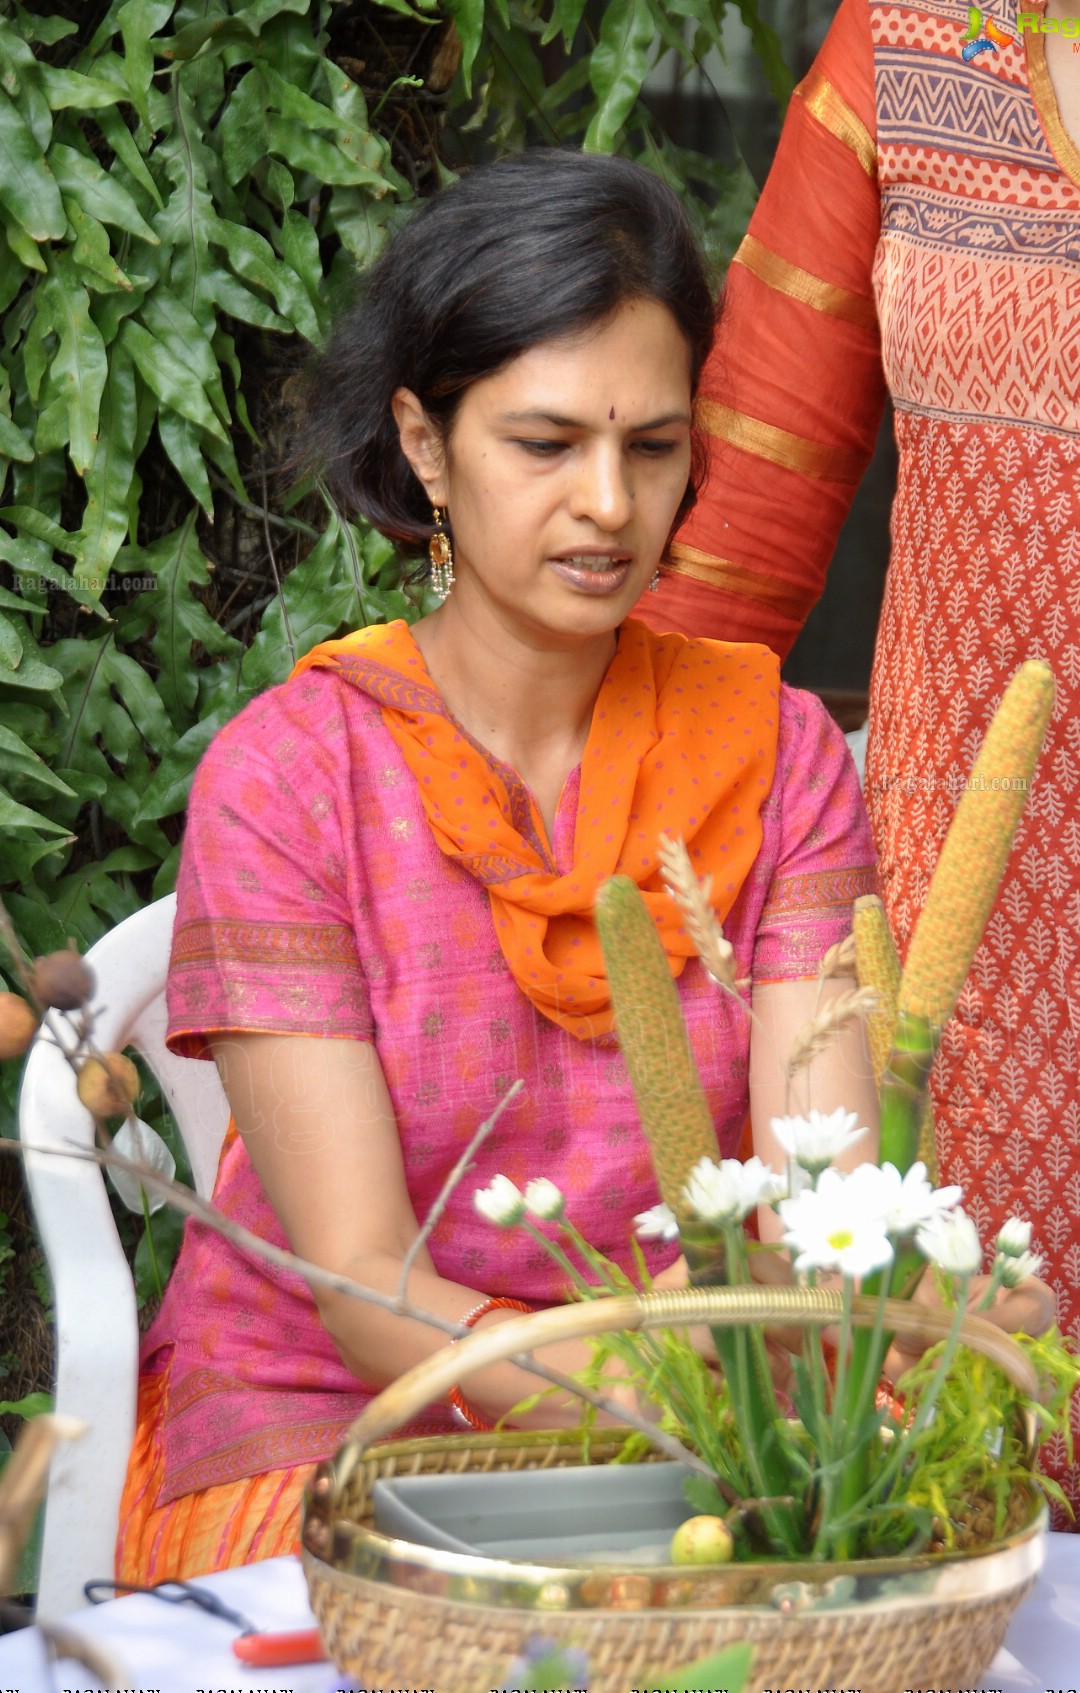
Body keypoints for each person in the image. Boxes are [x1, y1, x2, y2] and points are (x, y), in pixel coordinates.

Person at [114, 151, 884, 1586]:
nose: (608, 503)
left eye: (654, 447)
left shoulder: (775, 753)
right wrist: (638, 1409)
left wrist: (766, 1422)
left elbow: (822, 1208)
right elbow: (362, 1279)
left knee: (818, 1677)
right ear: (424, 443)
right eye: (545, 444)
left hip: (718, 1424)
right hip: (347, 1429)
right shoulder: (294, 778)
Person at [637, 0, 1080, 1532]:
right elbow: (745, 511)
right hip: (975, 883)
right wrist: (612, 810)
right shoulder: (896, 50)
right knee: (978, 1404)